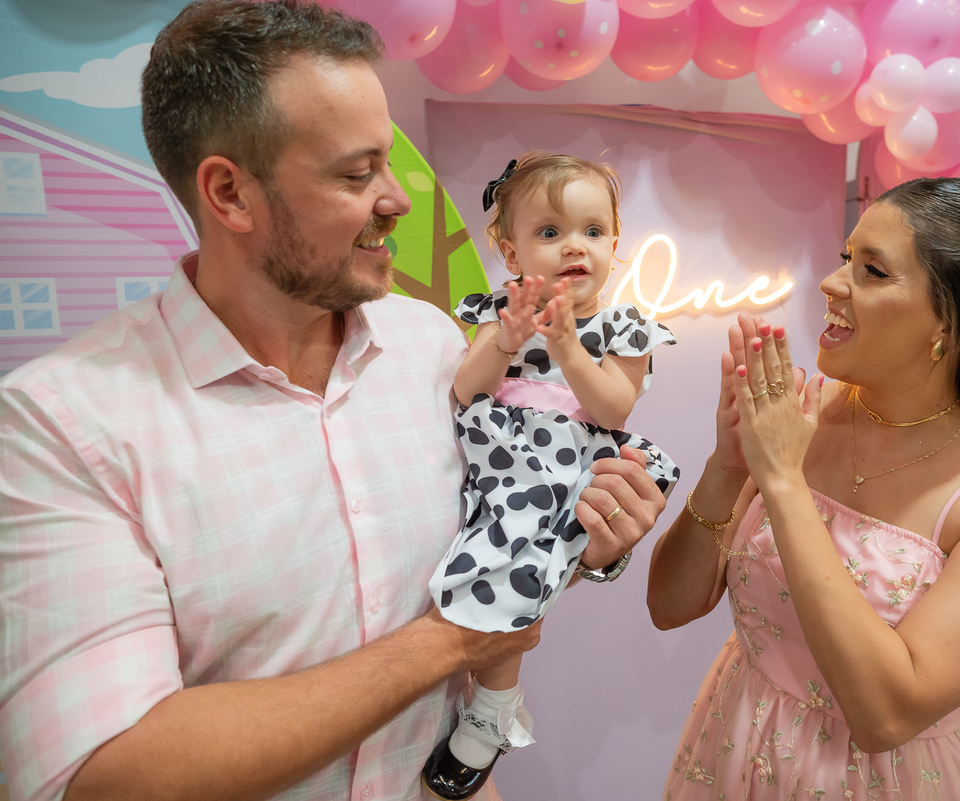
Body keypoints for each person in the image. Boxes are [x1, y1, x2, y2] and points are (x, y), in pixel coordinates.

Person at [0, 3, 666, 800]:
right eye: (357, 174)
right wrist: (453, 639)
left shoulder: (427, 344)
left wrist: (596, 540)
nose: (398, 199)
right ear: (230, 194)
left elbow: (504, 498)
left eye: (389, 163)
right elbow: (102, 776)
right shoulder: (61, 425)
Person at [646, 177, 960, 800]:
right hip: (733, 746)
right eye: (844, 260)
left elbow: (886, 716)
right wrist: (728, 467)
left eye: (873, 271)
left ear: (953, 319)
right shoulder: (808, 415)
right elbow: (668, 607)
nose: (832, 285)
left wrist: (781, 482)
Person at [421, 152, 680, 800]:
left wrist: (566, 342)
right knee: (483, 577)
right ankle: (495, 703)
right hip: (502, 464)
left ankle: (493, 707)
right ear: (509, 251)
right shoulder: (500, 312)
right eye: (550, 232)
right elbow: (464, 388)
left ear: (615, 246)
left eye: (593, 232)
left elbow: (613, 407)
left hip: (566, 471)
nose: (576, 247)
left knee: (512, 582)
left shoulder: (621, 327)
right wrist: (506, 339)